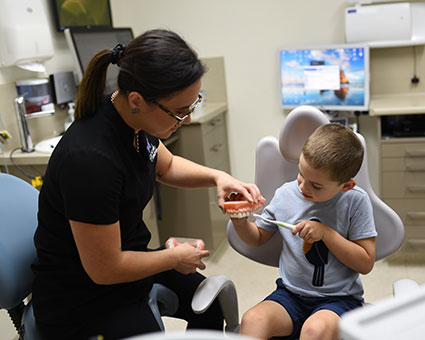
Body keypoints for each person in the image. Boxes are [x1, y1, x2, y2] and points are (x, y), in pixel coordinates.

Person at [31, 29, 262, 340]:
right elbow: (105, 269)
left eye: (192, 106)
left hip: (130, 264)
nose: (188, 120)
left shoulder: (131, 118)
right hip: (84, 300)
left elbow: (165, 166)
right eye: (180, 112)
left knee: (210, 304)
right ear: (138, 100)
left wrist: (218, 178)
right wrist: (172, 258)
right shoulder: (90, 161)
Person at [229, 123, 377, 340]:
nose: (303, 188)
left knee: (313, 331)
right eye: (301, 174)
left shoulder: (356, 202)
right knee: (252, 320)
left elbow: (365, 263)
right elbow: (258, 238)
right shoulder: (285, 195)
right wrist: (240, 222)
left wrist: (327, 234)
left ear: (346, 186)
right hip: (290, 295)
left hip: (338, 299)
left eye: (316, 186)